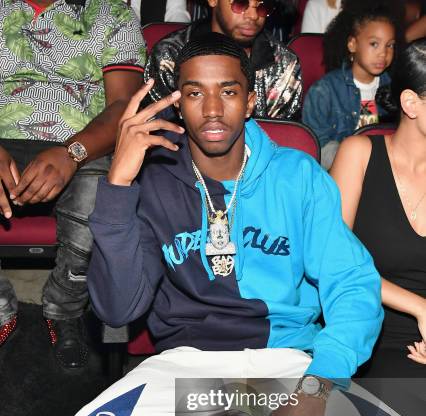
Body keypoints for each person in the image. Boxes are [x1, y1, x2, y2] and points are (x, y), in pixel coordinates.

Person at [42, 33, 426, 416]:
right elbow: (118, 311)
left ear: (251, 100)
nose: (213, 109)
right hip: (189, 376)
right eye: (194, 94)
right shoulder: (149, 179)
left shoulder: (298, 175)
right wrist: (117, 186)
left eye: (229, 92)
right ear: (176, 102)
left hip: (284, 372)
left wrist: (319, 382)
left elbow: (352, 284)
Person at [330, 38, 426, 416]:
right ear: (412, 103)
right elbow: (336, 265)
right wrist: (419, 308)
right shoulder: (359, 153)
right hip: (379, 334)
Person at [0, 0, 145, 366]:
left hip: (84, 142)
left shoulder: (111, 13)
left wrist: (72, 152)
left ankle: (63, 308)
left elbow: (124, 106)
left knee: (102, 197)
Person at [144, 0, 302, 119]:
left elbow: (282, 143)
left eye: (262, 7)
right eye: (241, 3)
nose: (253, 16)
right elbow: (158, 132)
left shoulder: (284, 64)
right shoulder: (170, 55)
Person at [302, 1, 400, 169]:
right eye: (374, 44)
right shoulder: (324, 91)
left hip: (386, 170)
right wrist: (357, 165)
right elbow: (316, 146)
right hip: (339, 171)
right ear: (352, 44)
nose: (383, 53)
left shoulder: (396, 88)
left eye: (389, 45)